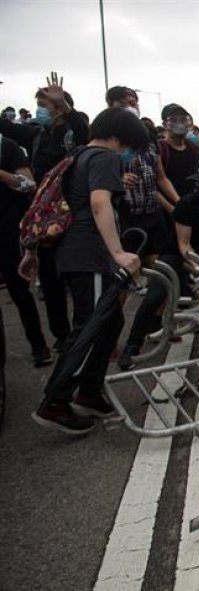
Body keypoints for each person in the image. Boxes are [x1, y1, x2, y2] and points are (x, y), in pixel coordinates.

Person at [21, 108, 148, 434]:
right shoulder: (105, 158)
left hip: (78, 254)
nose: (129, 152)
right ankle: (56, 401)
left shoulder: (79, 155)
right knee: (91, 326)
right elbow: (99, 203)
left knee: (110, 321)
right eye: (131, 145)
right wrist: (118, 252)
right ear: (119, 137)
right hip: (88, 254)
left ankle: (89, 393)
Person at [118, 160, 199, 370]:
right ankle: (132, 346)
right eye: (198, 183)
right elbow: (183, 244)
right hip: (177, 256)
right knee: (155, 297)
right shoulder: (188, 203)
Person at [0, 72, 88, 351]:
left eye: (47, 103)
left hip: (73, 210)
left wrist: (63, 103)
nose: (42, 108)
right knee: (49, 279)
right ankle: (61, 335)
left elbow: (84, 130)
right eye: (40, 102)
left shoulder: (75, 127)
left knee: (76, 276)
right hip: (45, 216)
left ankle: (82, 330)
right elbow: (5, 126)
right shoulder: (35, 134)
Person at [105, 86, 181, 266]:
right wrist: (119, 179)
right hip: (125, 215)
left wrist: (178, 202)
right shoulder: (106, 138)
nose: (131, 107)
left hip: (152, 212)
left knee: (157, 264)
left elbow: (161, 178)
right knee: (128, 268)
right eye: (123, 104)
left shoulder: (148, 138)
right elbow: (96, 178)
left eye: (133, 103)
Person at [0, 132, 50, 366]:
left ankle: (39, 346)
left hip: (8, 231)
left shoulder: (6, 147)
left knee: (19, 291)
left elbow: (28, 184)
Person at [158, 103, 199, 198]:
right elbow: (156, 183)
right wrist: (176, 207)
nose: (179, 123)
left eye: (183, 119)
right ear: (164, 124)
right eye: (174, 120)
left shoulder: (193, 147)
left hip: (191, 204)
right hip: (170, 207)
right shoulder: (160, 148)